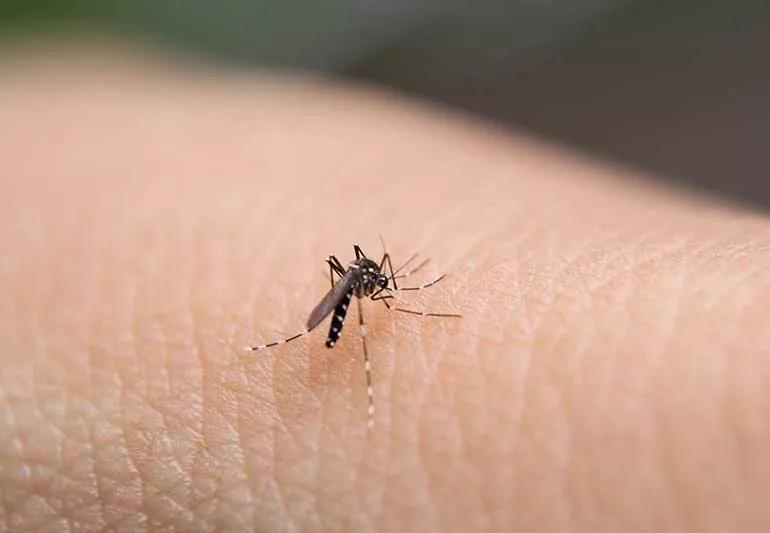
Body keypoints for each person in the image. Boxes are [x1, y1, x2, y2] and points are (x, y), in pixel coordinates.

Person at [1, 49, 768, 532]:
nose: (380, 283)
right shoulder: (359, 294)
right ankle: (320, 341)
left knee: (365, 274)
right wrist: (358, 317)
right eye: (382, 281)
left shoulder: (373, 269)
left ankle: (344, 319)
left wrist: (393, 288)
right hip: (340, 315)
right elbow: (360, 291)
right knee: (356, 314)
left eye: (381, 282)